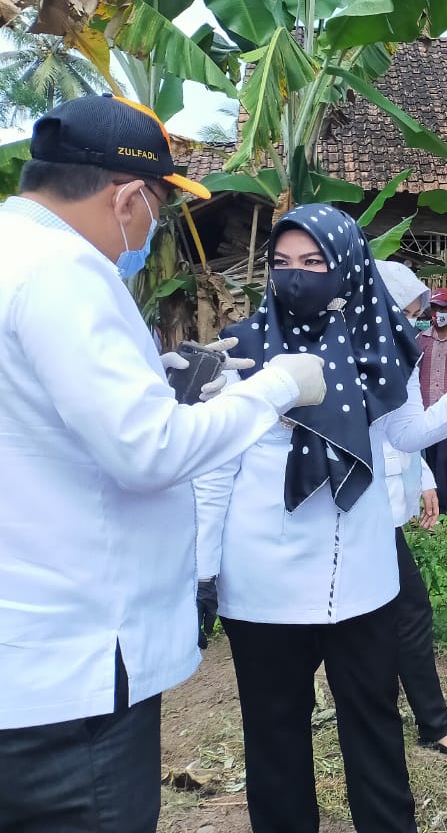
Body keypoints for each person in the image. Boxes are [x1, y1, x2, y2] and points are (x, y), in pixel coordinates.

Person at [0, 94, 326, 832]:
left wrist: (166, 379)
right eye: (158, 210)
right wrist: (275, 388)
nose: (153, 230)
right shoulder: (65, 273)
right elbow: (147, 452)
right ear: (126, 198)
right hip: (72, 678)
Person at [194, 207, 447, 833]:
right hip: (264, 585)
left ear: (349, 267)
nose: (296, 277)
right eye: (282, 264)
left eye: (314, 263)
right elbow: (214, 470)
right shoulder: (242, 349)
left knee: (375, 723)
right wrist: (201, 574)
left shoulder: (379, 345)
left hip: (361, 580)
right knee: (275, 739)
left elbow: (404, 432)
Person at [374, 260, 447, 758]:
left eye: (423, 316)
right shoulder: (342, 357)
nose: (419, 324)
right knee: (381, 623)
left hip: (379, 518)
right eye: (413, 313)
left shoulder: (396, 355)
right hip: (342, 519)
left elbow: (404, 433)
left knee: (408, 613)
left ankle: (432, 721)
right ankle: (412, 721)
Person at [416, 286, 447, 518]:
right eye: (434, 308)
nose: (438, 313)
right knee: (431, 460)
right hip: (427, 412)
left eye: (443, 308)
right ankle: (433, 509)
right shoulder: (421, 340)